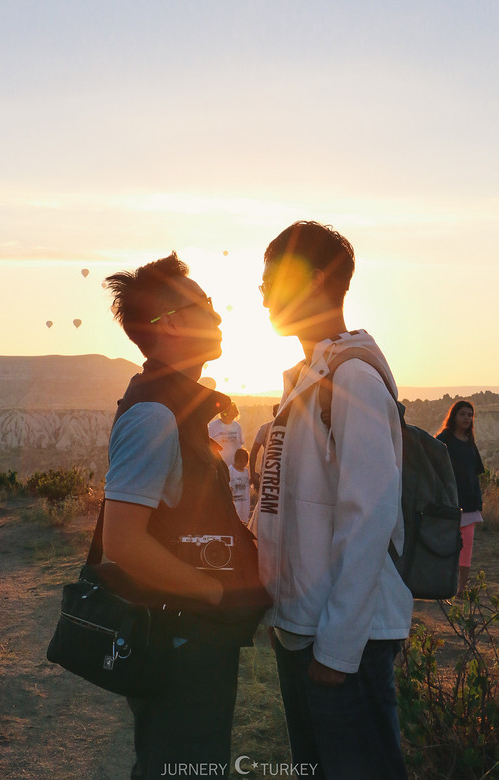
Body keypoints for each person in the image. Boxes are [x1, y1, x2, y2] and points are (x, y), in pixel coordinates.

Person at [255, 221, 413, 780]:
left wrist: (338, 650)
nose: (263, 290)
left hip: (347, 645)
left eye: (274, 277)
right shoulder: (308, 376)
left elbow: (369, 515)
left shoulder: (352, 380)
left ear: (318, 279)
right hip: (304, 630)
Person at [103, 253, 269, 779]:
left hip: (191, 637)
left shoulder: (174, 406)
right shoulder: (154, 414)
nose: (218, 319)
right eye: (205, 307)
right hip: (180, 642)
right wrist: (217, 595)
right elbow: (122, 544)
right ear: (170, 323)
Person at [436, 400, 485, 597]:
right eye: (463, 414)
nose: (467, 418)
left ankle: (461, 589)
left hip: (470, 502)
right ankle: (440, 584)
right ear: (454, 416)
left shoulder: (469, 441)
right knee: (445, 545)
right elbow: (433, 460)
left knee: (466, 548)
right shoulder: (444, 439)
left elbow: (477, 470)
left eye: (470, 414)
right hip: (449, 501)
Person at [249, 404, 279, 490]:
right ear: (274, 414)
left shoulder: (291, 429)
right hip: (267, 474)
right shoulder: (265, 428)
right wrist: (253, 474)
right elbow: (254, 451)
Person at [208, 402, 244, 466]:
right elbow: (208, 446)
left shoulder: (237, 426)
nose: (232, 417)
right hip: (219, 465)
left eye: (234, 415)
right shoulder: (212, 426)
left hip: (234, 467)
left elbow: (240, 445)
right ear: (223, 413)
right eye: (230, 414)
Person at [228, 448, 250, 524]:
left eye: (245, 461)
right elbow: (229, 486)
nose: (243, 463)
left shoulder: (246, 471)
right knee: (235, 521)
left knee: (244, 521)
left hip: (245, 502)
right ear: (236, 459)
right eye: (241, 460)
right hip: (235, 501)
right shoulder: (231, 470)